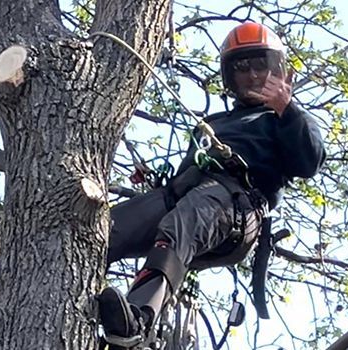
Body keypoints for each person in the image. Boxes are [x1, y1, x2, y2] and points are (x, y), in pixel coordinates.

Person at [98, 21, 326, 346]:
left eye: (260, 66)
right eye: (242, 68)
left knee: (183, 222)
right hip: (184, 195)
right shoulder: (214, 124)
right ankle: (80, 304)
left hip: (236, 205)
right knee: (103, 229)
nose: (251, 75)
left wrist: (287, 109)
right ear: (230, 77)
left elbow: (310, 161)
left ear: (278, 71)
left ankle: (138, 321)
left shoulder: (283, 120)